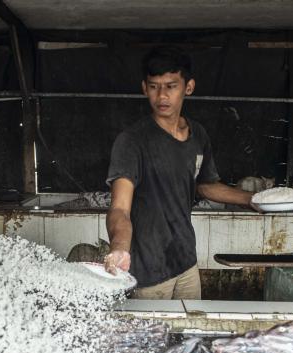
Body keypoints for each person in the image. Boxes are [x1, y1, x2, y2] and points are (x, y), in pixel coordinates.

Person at [103, 46, 254, 300]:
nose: (161, 95)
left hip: (185, 262)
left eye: (171, 86)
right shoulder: (132, 141)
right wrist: (119, 249)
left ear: (189, 87)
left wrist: (253, 200)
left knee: (189, 335)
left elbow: (206, 185)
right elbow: (120, 209)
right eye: (154, 86)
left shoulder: (198, 135)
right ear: (144, 88)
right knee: (153, 339)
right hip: (148, 271)